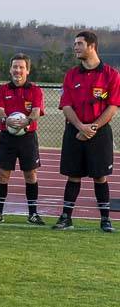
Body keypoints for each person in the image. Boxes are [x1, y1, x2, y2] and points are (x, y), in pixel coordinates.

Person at [54, 30, 120, 232]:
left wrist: (92, 128)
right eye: (75, 44)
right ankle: (66, 217)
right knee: (73, 175)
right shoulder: (71, 75)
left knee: (100, 176)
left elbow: (112, 106)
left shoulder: (111, 75)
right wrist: (81, 127)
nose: (75, 47)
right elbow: (65, 105)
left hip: (99, 134)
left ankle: (105, 220)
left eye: (79, 44)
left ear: (92, 46)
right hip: (75, 132)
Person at [0, 53, 45, 224]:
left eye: (21, 67)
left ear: (27, 70)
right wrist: (8, 120)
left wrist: (25, 121)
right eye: (15, 67)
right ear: (10, 69)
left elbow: (36, 112)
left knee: (30, 175)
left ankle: (33, 214)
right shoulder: (2, 89)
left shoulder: (35, 90)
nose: (18, 70)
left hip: (27, 137)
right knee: (3, 174)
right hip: (7, 137)